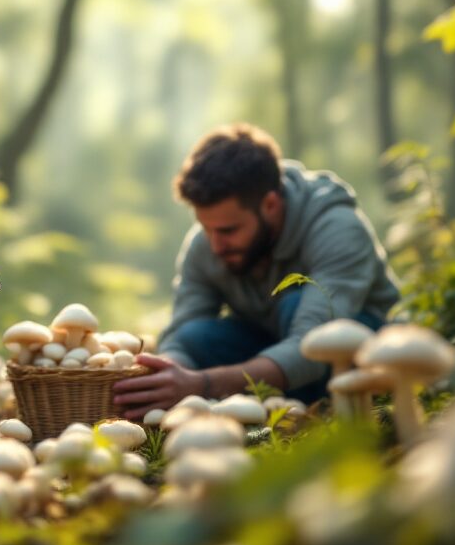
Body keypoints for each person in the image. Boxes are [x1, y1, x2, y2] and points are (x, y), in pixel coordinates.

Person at [113, 124, 398, 419]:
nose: (215, 245)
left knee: (294, 304)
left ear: (271, 205)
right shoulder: (205, 245)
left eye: (228, 230)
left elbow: (311, 349)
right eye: (206, 228)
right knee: (192, 335)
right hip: (272, 347)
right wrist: (169, 376)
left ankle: (305, 416)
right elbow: (181, 332)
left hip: (364, 353)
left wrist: (202, 384)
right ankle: (267, 412)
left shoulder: (337, 228)